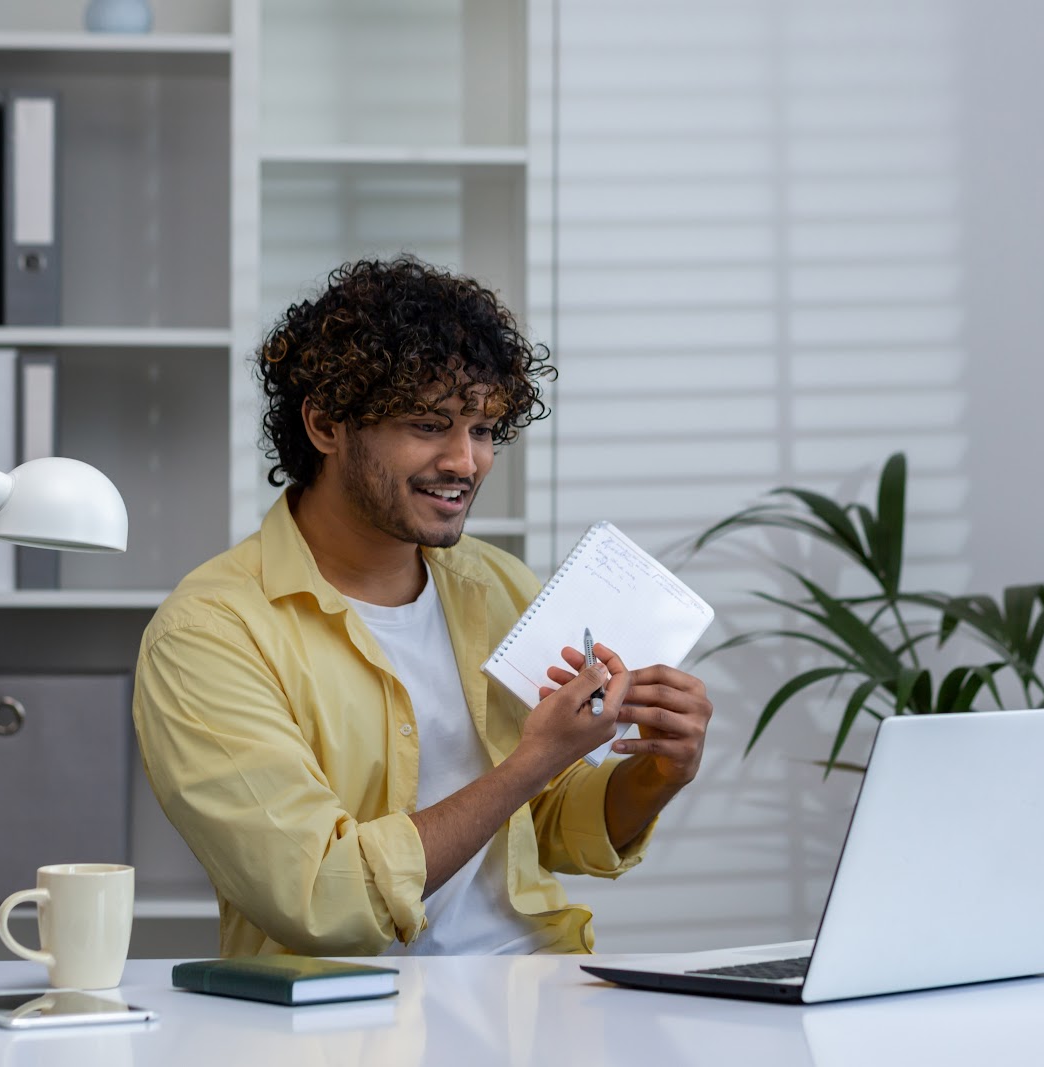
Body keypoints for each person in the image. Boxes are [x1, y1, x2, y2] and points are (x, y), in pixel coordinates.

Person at [133, 256, 714, 957]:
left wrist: (657, 773)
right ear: (324, 424)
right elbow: (320, 894)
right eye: (428, 424)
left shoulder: (498, 587)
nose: (465, 461)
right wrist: (531, 761)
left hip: (538, 995)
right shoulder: (210, 634)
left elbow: (550, 824)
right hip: (343, 1022)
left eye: (483, 429)